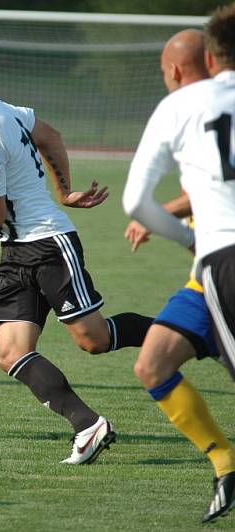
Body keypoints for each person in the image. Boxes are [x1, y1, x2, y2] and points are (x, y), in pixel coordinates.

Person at [0, 49, 154, 465]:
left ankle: (189, 333)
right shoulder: (2, 110)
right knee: (11, 352)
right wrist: (64, 190)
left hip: (47, 245)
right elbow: (51, 135)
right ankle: (88, 424)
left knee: (93, 340)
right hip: (16, 252)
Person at [123, 8, 235, 522]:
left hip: (221, 259)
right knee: (152, 363)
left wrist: (184, 235)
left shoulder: (180, 105)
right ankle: (226, 464)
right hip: (207, 270)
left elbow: (134, 201)